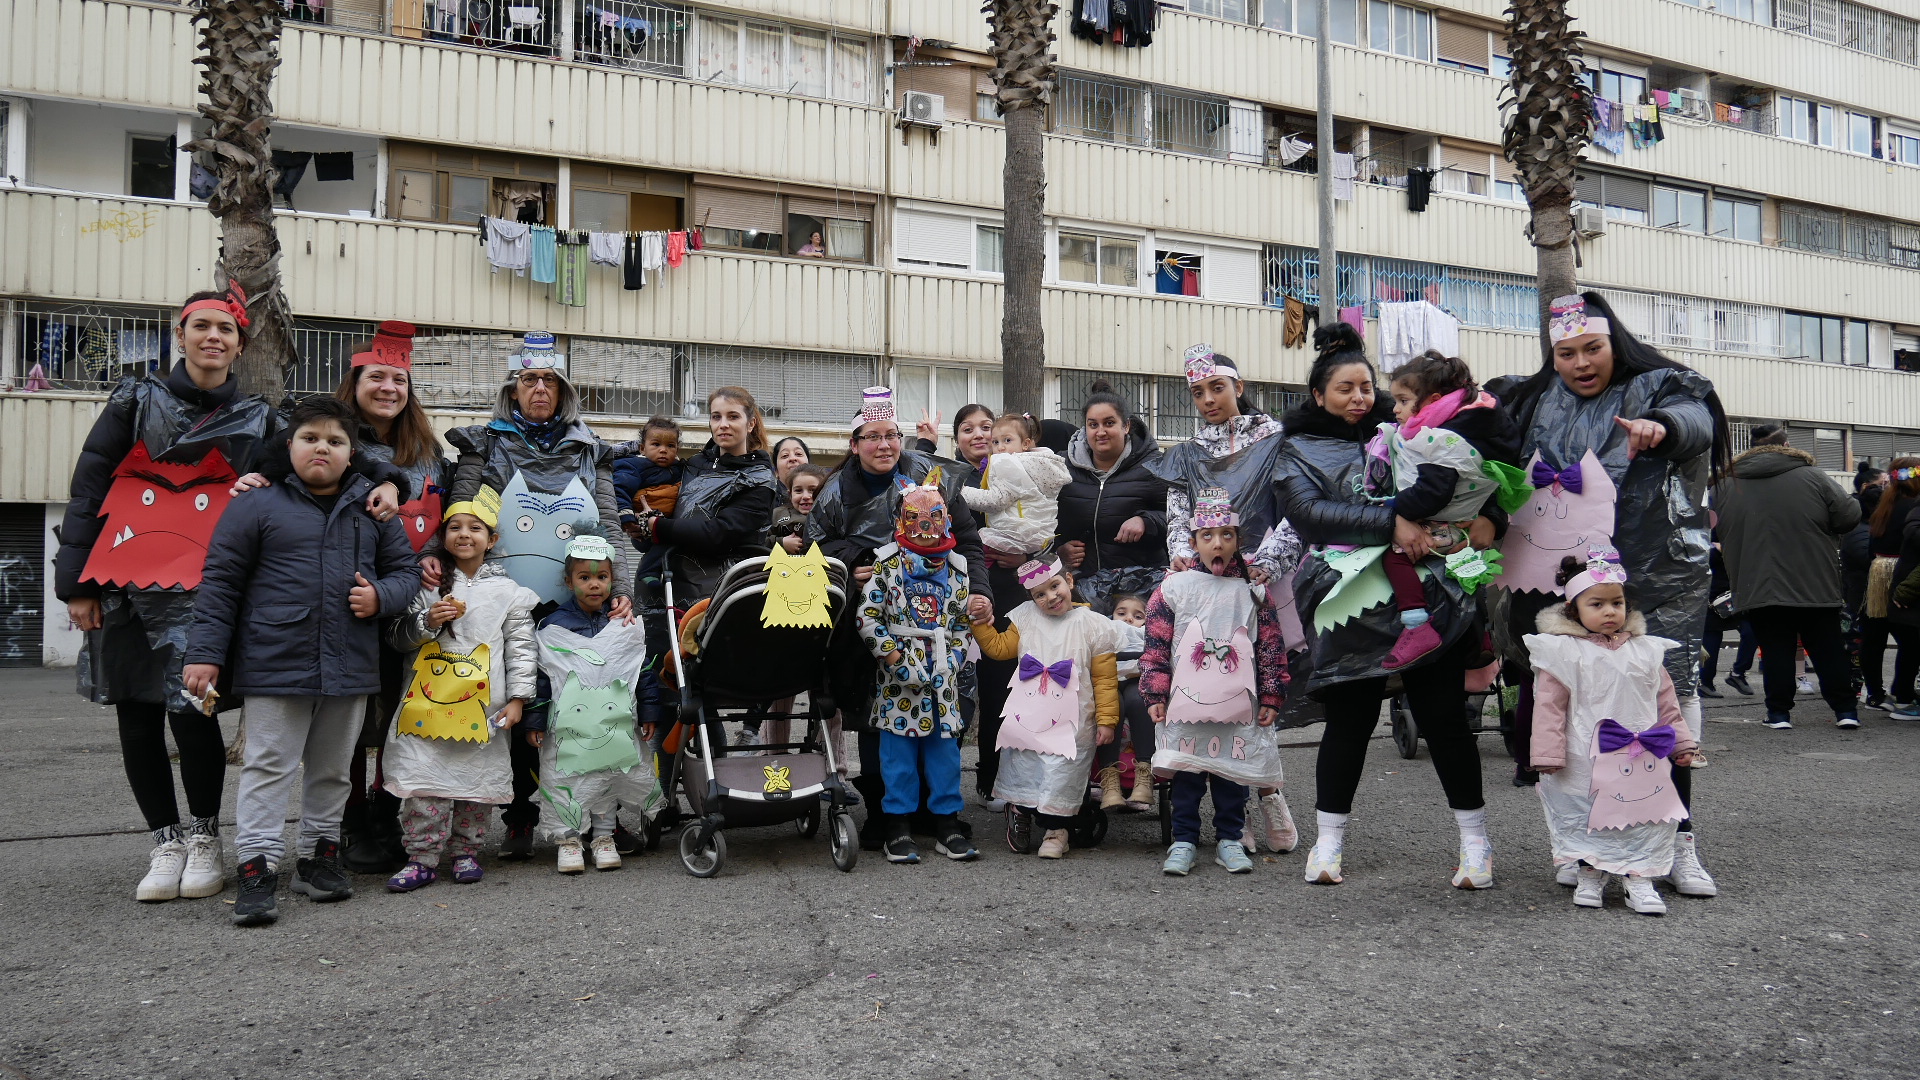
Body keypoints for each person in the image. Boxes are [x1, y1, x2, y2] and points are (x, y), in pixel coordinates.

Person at [53, 285, 402, 904]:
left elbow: (331, 453)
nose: (213, 337)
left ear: (241, 345)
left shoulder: (262, 416)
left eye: (226, 329)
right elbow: (89, 485)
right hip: (125, 583)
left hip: (202, 589)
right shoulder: (136, 397)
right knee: (136, 714)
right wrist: (76, 583)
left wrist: (390, 482)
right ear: (180, 334)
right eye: (202, 326)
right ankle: (166, 840)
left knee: (194, 717)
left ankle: (206, 837)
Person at [1488, 291, 1729, 900]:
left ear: (1613, 341)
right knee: (1567, 717)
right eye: (1565, 353)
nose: (1580, 363)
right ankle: (1582, 846)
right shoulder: (1531, 398)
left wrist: (1663, 426)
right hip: (1563, 580)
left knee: (1667, 708)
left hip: (1652, 572)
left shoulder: (1660, 384)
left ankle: (1678, 842)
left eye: (1592, 348)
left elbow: (1697, 422)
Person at [181, 399, 420, 926]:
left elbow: (405, 573)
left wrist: (382, 597)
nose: (322, 448)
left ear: (350, 453)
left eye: (335, 441)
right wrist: (204, 655)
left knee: (334, 770)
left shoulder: (373, 507)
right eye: (310, 437)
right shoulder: (255, 503)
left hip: (350, 663)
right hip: (274, 660)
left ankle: (318, 858)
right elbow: (221, 583)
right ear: (288, 446)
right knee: (269, 765)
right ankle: (256, 866)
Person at [1278, 324, 1498, 890]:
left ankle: (1476, 845)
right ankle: (1328, 843)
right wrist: (1389, 520)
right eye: (1345, 388)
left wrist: (1491, 521)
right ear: (1318, 395)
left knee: (1445, 719)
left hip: (1429, 595)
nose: (1359, 397)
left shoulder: (1412, 427)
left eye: (1366, 386)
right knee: (1349, 724)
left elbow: (1481, 477)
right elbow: (1308, 513)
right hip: (1349, 602)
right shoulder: (1296, 448)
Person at [434, 332, 632, 859]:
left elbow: (610, 526)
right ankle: (519, 814)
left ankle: (602, 816)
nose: (539, 388)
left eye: (549, 380)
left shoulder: (592, 451)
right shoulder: (486, 445)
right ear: (514, 388)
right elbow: (463, 519)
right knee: (515, 712)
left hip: (576, 606)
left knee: (591, 708)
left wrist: (623, 591)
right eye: (529, 379)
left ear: (564, 391)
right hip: (503, 605)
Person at [805, 387, 992, 841]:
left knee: (944, 711)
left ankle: (936, 810)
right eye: (872, 437)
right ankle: (886, 813)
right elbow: (816, 550)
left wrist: (979, 592)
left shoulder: (931, 477)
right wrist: (852, 560)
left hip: (940, 622)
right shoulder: (834, 493)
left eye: (891, 435)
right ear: (854, 444)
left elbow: (967, 540)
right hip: (874, 624)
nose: (884, 445)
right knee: (878, 717)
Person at [330, 321, 451, 875]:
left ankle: (391, 808)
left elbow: (445, 519)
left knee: (404, 711)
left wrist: (440, 556)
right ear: (353, 383)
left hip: (415, 600)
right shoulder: (331, 439)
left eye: (398, 379)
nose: (388, 388)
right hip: (351, 595)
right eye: (376, 376)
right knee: (353, 717)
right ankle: (353, 817)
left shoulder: (427, 451)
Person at [382, 490, 540, 892]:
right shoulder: (426, 586)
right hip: (426, 702)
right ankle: (421, 856)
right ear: (443, 536)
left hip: (483, 705)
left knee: (474, 781)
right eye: (455, 527)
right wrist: (427, 622)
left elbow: (522, 647)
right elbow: (396, 637)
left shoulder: (509, 592)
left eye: (475, 528)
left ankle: (466, 851)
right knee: (424, 778)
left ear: (493, 539)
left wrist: (520, 698)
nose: (464, 535)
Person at [1526, 548, 1699, 915]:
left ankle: (1640, 878)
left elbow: (1666, 702)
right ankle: (1591, 869)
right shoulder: (1563, 652)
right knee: (1591, 810)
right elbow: (1549, 707)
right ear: (1574, 609)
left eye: (1617, 603)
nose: (1609, 612)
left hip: (1640, 752)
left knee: (1641, 812)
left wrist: (1681, 742)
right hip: (1584, 751)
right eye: (1597, 604)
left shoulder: (1645, 651)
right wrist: (1547, 753)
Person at [1137, 490, 1287, 876]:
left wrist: (1271, 693)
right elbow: (1156, 643)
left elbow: (1270, 645)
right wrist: (1155, 691)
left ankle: (1230, 839)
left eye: (1226, 535)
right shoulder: (1174, 588)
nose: (1217, 543)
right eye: (1207, 536)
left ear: (1238, 540)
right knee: (1187, 771)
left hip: (1238, 703)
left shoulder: (1252, 592)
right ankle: (1184, 840)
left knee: (1230, 774)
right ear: (1193, 543)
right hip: (1185, 702)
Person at [630, 387, 778, 749]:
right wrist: (643, 525)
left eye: (732, 417)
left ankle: (715, 777)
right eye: (716, 417)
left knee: (699, 691)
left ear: (750, 422)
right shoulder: (695, 464)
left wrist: (659, 527)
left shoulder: (760, 478)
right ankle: (668, 793)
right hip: (663, 590)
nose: (723, 425)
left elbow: (717, 534)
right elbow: (673, 513)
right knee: (666, 691)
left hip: (711, 599)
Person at [1373, 352, 1523, 670]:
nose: (1395, 408)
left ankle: (1416, 626)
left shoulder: (1440, 441)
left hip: (1444, 525)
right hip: (1465, 526)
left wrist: (1392, 508)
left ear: (1433, 401)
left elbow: (1431, 495)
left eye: (1402, 400)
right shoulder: (1465, 431)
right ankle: (1479, 635)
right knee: (1466, 574)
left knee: (1395, 556)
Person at [855, 483, 979, 864]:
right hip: (898, 679)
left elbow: (961, 623)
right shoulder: (887, 563)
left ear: (948, 519)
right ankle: (897, 826)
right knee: (898, 756)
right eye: (915, 517)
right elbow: (868, 616)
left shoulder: (958, 568)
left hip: (942, 676)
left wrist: (954, 659)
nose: (925, 525)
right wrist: (892, 659)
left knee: (945, 753)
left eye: (934, 516)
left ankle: (946, 824)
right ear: (900, 520)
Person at [972, 558, 1122, 860]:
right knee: (1026, 766)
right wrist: (979, 626)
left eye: (1055, 586)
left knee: (1062, 772)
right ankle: (1021, 811)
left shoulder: (1093, 625)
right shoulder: (1025, 618)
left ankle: (1057, 831)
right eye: (1040, 594)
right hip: (1030, 714)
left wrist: (1107, 720)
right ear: (1031, 597)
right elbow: (1000, 649)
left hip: (1073, 720)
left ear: (1069, 580)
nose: (1050, 597)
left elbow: (1105, 679)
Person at [1714, 424, 1862, 730]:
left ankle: (1779, 714)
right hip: (1814, 579)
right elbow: (1848, 516)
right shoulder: (1814, 476)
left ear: (1751, 447)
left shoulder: (1724, 484)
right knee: (1827, 648)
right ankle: (1846, 710)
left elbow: (1714, 527)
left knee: (1776, 648)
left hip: (1757, 582)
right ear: (1787, 444)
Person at [526, 533, 652, 875]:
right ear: (568, 582)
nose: (594, 585)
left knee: (606, 774)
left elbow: (641, 670)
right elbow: (541, 679)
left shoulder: (622, 624)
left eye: (602, 577)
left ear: (613, 580)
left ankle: (603, 837)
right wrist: (535, 720)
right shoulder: (553, 626)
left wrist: (650, 711)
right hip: (567, 726)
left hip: (612, 723)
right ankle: (568, 840)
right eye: (584, 578)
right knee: (564, 775)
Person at [1147, 344, 1292, 579]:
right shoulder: (1186, 455)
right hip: (1207, 576)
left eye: (1217, 388)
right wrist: (1184, 556)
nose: (1208, 400)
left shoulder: (1279, 440)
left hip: (1270, 577)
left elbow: (1298, 509)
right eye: (1198, 393)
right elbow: (1179, 519)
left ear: (1238, 387)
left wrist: (1269, 561)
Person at [1057, 380, 1169, 612]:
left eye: (1109, 423)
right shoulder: (1061, 468)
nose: (1101, 432)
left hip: (1138, 591)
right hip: (1082, 588)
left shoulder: (1155, 467)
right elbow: (1044, 521)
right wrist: (1059, 550)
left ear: (1126, 426)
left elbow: (1178, 519)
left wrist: (1146, 521)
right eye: (1093, 425)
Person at [961, 413, 1072, 559]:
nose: (1000, 447)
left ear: (1025, 444)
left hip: (1015, 533)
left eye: (1007, 440)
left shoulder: (1009, 465)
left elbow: (995, 501)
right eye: (995, 442)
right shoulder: (1039, 462)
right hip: (1040, 535)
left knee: (974, 547)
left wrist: (961, 491)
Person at [1858, 458, 1919, 712]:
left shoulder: (1884, 505)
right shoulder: (1914, 507)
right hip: (1904, 573)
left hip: (1878, 572)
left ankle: (1874, 694)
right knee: (1911, 639)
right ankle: (1903, 694)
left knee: (1874, 636)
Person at [1098, 593, 1157, 812]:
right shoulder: (1105, 629)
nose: (1128, 619)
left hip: (1138, 678)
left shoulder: (1148, 634)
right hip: (1107, 679)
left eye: (1137, 615)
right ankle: (1109, 776)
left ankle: (1144, 773)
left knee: (1139, 700)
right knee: (1111, 706)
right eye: (1121, 613)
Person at [773, 464, 830, 554]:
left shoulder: (830, 517)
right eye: (798, 491)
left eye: (813, 490)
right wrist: (781, 543)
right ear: (790, 494)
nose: (806, 496)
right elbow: (760, 541)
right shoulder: (778, 514)